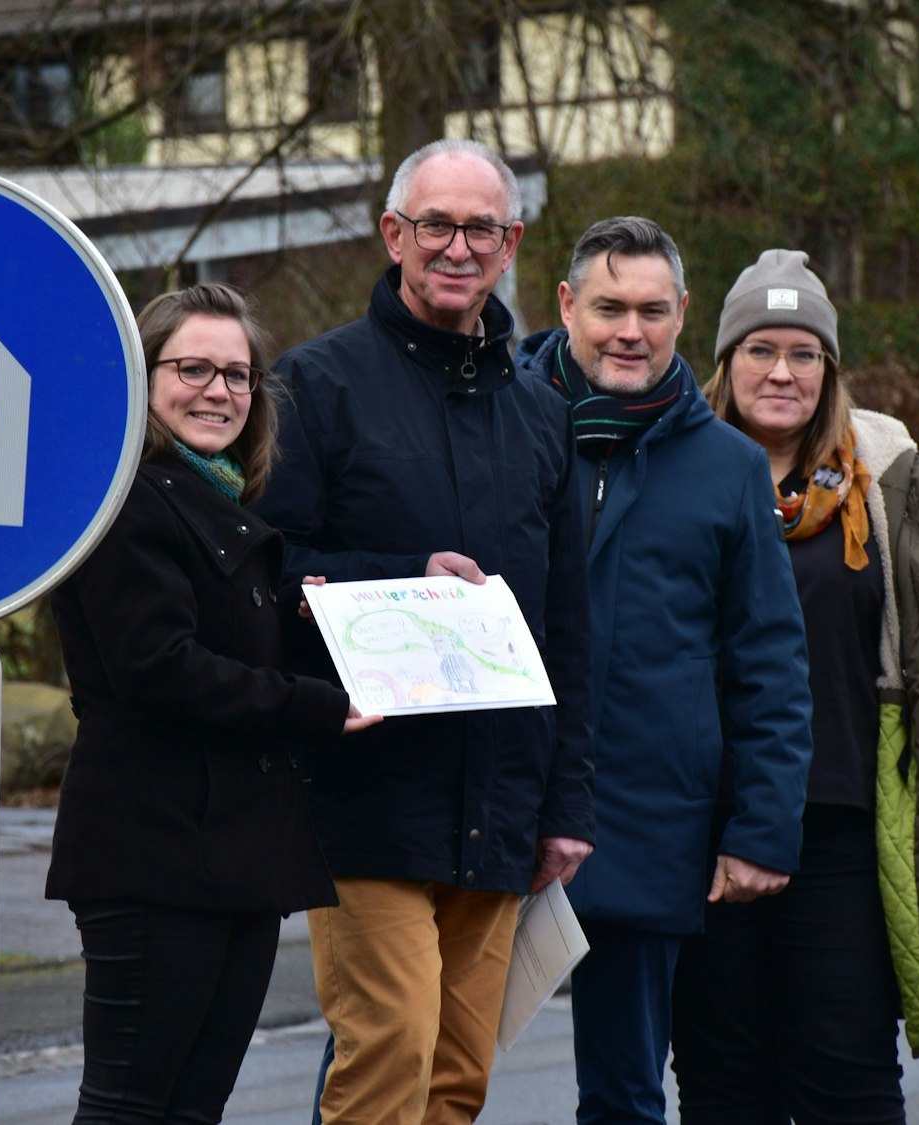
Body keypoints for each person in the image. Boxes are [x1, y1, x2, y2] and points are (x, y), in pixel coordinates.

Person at [254, 138, 594, 1125]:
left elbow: (564, 624)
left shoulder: (541, 414)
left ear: (510, 244)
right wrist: (404, 582)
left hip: (500, 797)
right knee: (388, 1050)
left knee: (457, 1076)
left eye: (478, 227)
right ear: (391, 234)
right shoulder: (312, 388)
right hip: (365, 795)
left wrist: (564, 802)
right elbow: (268, 569)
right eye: (433, 224)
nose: (455, 246)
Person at [43, 283, 380, 1124]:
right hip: (153, 850)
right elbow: (160, 665)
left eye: (239, 375)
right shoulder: (126, 501)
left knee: (191, 1108)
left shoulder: (224, 504)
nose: (219, 391)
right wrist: (312, 705)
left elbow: (239, 644)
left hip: (232, 854)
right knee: (130, 1105)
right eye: (193, 368)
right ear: (143, 380)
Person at [674, 249, 919, 1123]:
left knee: (846, 1076)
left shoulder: (885, 486)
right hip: (702, 825)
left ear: (830, 368)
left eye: (804, 353)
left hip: (844, 825)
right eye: (760, 350)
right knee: (719, 1079)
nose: (782, 372)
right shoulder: (673, 468)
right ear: (725, 361)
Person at [513, 216, 814, 1125]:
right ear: (566, 305)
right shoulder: (494, 426)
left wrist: (765, 825)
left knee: (627, 1095)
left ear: (683, 314)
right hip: (493, 804)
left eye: (651, 309)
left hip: (647, 822)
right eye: (608, 307)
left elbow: (769, 656)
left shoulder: (725, 466)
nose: (628, 331)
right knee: (412, 1067)